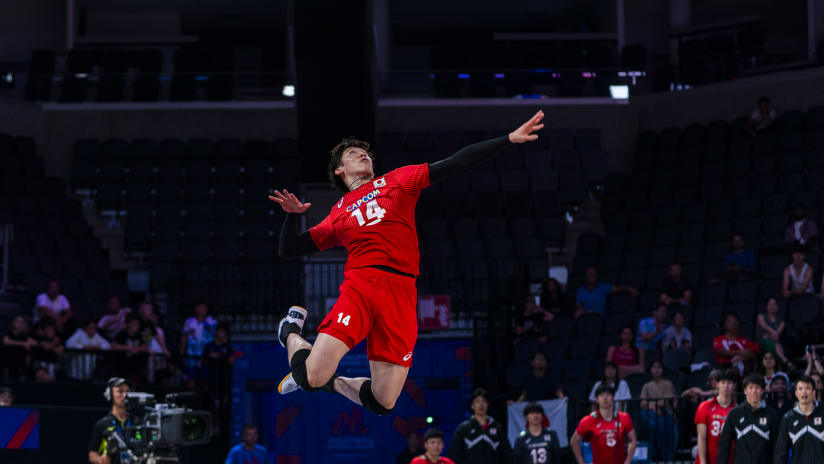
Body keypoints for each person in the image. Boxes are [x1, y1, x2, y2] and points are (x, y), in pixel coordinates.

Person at [273, 111, 545, 416]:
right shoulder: (338, 212)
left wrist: (507, 139)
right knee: (311, 377)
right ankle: (290, 333)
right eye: (352, 153)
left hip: (401, 291)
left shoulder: (398, 181)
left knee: (383, 401)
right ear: (339, 170)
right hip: (362, 286)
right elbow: (289, 249)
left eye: (365, 152)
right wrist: (292, 215)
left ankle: (330, 383)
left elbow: (456, 162)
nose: (363, 154)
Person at [717, 374, 776, 464]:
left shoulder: (771, 414)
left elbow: (777, 446)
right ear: (745, 391)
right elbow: (724, 445)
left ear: (762, 391)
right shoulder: (734, 413)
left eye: (757, 388)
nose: (754, 391)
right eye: (751, 388)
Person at [571, 384, 637, 464]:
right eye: (601, 395)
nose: (605, 398)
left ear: (613, 398)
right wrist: (581, 462)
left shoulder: (624, 417)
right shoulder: (588, 420)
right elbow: (574, 441)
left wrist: (628, 461)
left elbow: (633, 440)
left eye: (608, 395)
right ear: (596, 399)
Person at [448, 388, 511, 464]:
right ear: (472, 406)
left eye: (484, 401)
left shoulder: (497, 428)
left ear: (487, 405)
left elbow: (507, 455)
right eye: (477, 402)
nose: (481, 405)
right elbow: (453, 455)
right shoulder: (463, 429)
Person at [773, 375, 824, 464]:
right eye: (800, 389)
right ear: (796, 393)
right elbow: (781, 452)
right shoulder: (788, 418)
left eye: (807, 388)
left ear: (813, 392)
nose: (804, 392)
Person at [694, 369, 736, 464]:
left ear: (734, 385)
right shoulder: (705, 406)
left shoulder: (737, 410)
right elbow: (701, 437)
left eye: (729, 383)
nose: (726, 386)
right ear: (717, 384)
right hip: (708, 460)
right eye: (723, 382)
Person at [88, 377, 133, 464]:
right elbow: (92, 454)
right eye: (120, 391)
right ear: (110, 395)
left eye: (127, 392)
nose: (125, 395)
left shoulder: (137, 422)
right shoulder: (103, 424)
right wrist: (100, 460)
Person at [640, 360, 678, 461]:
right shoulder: (646, 386)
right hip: (651, 413)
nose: (656, 370)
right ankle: (655, 455)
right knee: (652, 422)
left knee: (660, 424)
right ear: (650, 370)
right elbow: (642, 403)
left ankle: (664, 457)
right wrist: (653, 408)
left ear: (662, 370)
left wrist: (653, 405)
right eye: (654, 367)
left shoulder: (668, 384)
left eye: (659, 367)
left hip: (666, 413)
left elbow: (667, 401)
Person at [180, 302, 217, 383]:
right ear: (195, 309)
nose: (203, 309)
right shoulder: (189, 322)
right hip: (191, 355)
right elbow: (184, 338)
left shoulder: (212, 321)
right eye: (200, 307)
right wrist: (182, 353)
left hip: (207, 356)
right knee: (191, 379)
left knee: (206, 380)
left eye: (204, 307)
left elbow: (216, 337)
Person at [112, 313, 149, 383]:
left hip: (137, 366)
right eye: (134, 323)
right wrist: (128, 348)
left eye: (138, 324)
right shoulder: (121, 334)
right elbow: (114, 346)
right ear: (128, 324)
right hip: (122, 365)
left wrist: (135, 349)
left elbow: (145, 347)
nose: (137, 326)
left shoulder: (140, 335)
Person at [756, 297, 792, 368]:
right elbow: (765, 327)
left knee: (776, 345)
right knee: (774, 345)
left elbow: (777, 335)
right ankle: (784, 360)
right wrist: (773, 333)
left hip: (774, 342)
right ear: (766, 306)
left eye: (774, 304)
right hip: (761, 343)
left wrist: (770, 335)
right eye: (770, 304)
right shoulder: (761, 316)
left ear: (777, 307)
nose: (772, 306)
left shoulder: (781, 322)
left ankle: (781, 366)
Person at [2, 315, 37, 379]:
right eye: (18, 322)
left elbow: (35, 343)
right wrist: (23, 343)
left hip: (21, 367)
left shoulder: (24, 336)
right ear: (12, 323)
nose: (20, 324)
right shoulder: (7, 333)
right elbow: (6, 341)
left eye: (22, 322)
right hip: (8, 367)